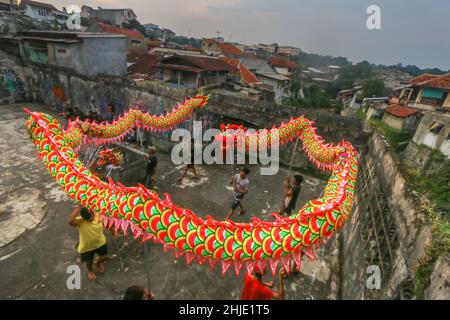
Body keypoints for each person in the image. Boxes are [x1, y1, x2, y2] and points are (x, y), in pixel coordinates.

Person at [68, 206, 108, 281]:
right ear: (83, 217)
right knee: (89, 261)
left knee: (104, 257)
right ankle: (90, 271)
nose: (90, 219)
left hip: (100, 243)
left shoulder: (99, 216)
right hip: (86, 247)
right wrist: (78, 207)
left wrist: (112, 230)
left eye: (91, 216)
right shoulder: (80, 222)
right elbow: (70, 221)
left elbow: (106, 223)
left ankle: (98, 264)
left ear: (93, 213)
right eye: (87, 218)